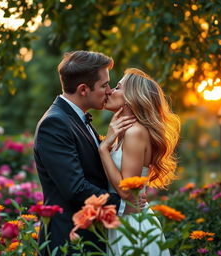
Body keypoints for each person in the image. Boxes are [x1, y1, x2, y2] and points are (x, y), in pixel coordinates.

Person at [33, 51, 138, 255]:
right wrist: (124, 205)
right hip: (70, 242)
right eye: (104, 85)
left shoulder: (76, 119)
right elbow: (75, 188)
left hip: (93, 236)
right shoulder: (54, 124)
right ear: (83, 89)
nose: (109, 91)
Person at [99, 68, 180, 255]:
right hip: (122, 220)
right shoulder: (124, 132)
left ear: (132, 96)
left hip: (132, 227)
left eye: (118, 87)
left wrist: (103, 149)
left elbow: (127, 191)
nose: (110, 91)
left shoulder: (134, 132)